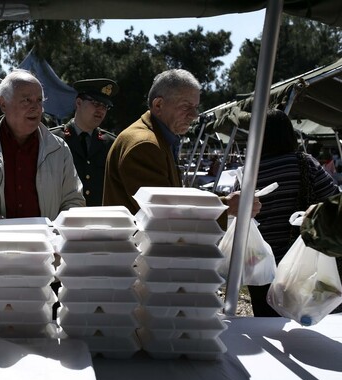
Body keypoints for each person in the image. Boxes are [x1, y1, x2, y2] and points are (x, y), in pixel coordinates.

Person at [0, 69, 85, 260]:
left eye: (39, 100)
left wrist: (57, 234)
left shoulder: (58, 149)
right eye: (26, 100)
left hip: (44, 257)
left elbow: (73, 201)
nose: (35, 107)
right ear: (3, 103)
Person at [102, 68, 260, 222]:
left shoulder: (154, 138)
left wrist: (225, 203)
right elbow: (164, 213)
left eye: (196, 107)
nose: (194, 115)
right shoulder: (145, 145)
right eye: (186, 107)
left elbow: (171, 200)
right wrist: (226, 206)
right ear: (158, 105)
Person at [239, 109, 340, 316]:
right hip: (302, 263)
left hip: (259, 263)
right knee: (308, 325)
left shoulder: (249, 171)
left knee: (267, 324)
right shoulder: (305, 163)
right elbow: (332, 199)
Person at [50, 78, 118, 206]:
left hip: (99, 219)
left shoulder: (111, 143)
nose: (101, 110)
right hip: (63, 218)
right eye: (96, 103)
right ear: (79, 103)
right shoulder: (53, 139)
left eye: (105, 106)